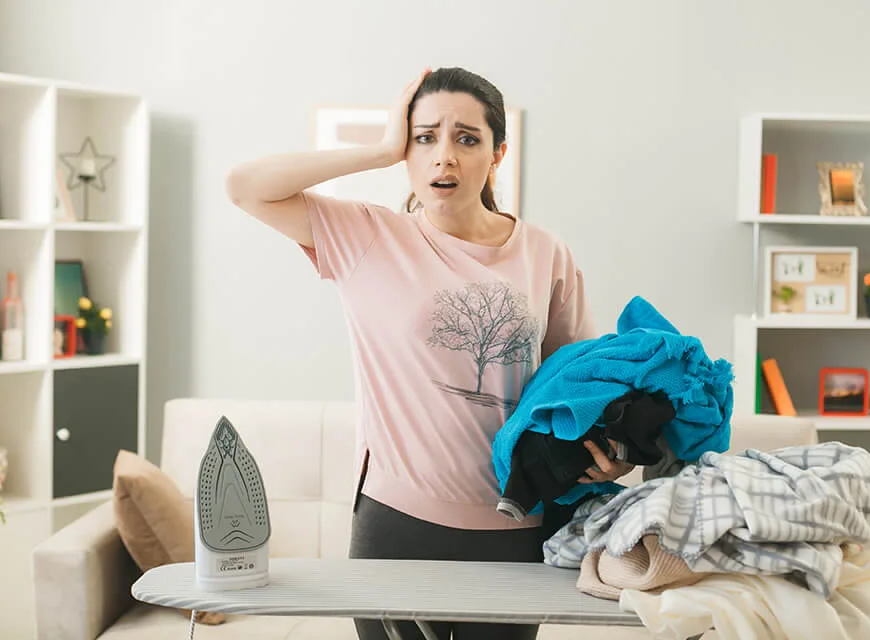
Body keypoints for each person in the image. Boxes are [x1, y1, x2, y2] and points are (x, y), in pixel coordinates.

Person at [226, 66, 635, 640]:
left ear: (497, 154)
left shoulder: (544, 252)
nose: (445, 156)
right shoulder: (367, 235)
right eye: (425, 138)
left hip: (515, 527)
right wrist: (378, 151)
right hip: (396, 525)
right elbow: (245, 186)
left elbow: (575, 391)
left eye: (467, 138)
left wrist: (607, 459)